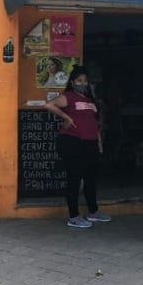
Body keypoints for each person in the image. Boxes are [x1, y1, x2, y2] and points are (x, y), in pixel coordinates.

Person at [44, 66, 110, 228]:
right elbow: (49, 105)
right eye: (79, 81)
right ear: (72, 82)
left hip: (91, 142)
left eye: (85, 81)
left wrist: (99, 142)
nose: (83, 83)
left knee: (90, 178)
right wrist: (66, 117)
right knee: (74, 178)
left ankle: (93, 212)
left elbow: (95, 124)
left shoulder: (90, 101)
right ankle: (73, 216)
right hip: (73, 141)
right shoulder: (68, 97)